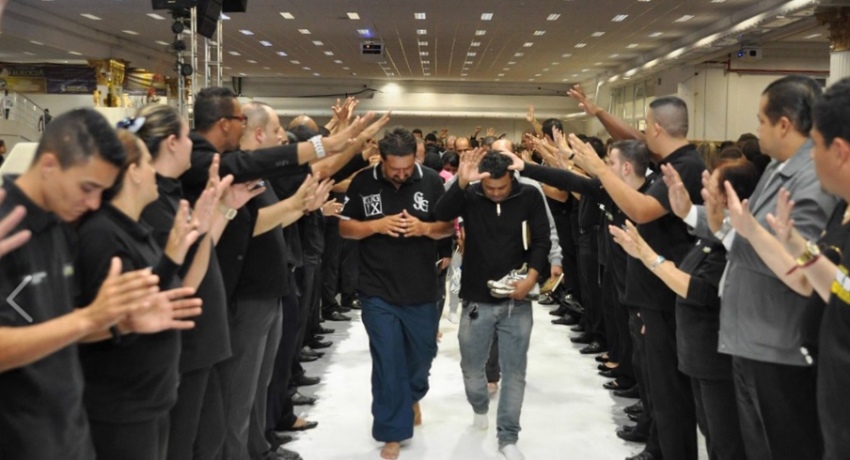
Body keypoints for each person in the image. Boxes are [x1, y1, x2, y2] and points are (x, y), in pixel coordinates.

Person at [0, 108, 173, 459]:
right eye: (87, 187)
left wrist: (117, 323)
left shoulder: (63, 224)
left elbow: (60, 327)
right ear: (49, 166)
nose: (94, 203)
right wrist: (90, 319)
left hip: (69, 435)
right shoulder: (6, 222)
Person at [688, 75, 835, 460]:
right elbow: (746, 235)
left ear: (784, 124)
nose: (757, 130)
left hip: (780, 340)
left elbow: (796, 267)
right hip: (753, 334)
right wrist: (705, 216)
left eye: (761, 121)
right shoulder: (777, 167)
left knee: (782, 446)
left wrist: (744, 229)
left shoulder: (811, 179)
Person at [610, 159, 759, 460]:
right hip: (697, 356)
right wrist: (684, 212)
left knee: (725, 442)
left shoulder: (736, 244)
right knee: (710, 432)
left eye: (710, 188)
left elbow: (698, 288)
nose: (702, 194)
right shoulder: (714, 234)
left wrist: (647, 255)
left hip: (715, 360)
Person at [74, 129, 209, 460]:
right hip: (121, 405)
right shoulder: (102, 236)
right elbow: (94, 321)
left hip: (150, 397)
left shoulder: (135, 230)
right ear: (132, 172)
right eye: (147, 162)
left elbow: (160, 296)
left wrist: (181, 249)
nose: (154, 171)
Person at [339, 127, 454, 460]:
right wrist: (376, 225)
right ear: (382, 159)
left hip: (421, 288)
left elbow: (448, 226)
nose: (401, 174)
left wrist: (424, 229)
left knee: (422, 359)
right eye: (394, 169)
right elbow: (345, 227)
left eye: (407, 168)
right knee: (388, 361)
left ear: (416, 156)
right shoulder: (363, 182)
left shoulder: (432, 181)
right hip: (376, 289)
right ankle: (392, 432)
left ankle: (412, 395)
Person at [435, 150, 551, 460]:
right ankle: (479, 407)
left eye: (502, 188)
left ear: (513, 178)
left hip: (517, 300)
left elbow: (542, 240)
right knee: (472, 370)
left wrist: (532, 278)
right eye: (491, 189)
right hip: (476, 298)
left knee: (514, 372)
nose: (497, 194)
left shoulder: (529, 195)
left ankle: (508, 436)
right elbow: (440, 213)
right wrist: (462, 182)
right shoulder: (470, 194)